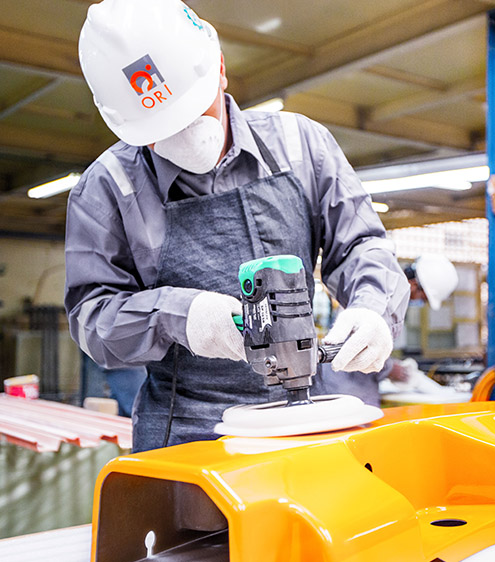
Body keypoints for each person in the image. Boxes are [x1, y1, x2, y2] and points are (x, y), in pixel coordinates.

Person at [65, 0, 409, 452]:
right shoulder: (107, 188)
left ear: (220, 69)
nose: (184, 134)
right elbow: (92, 317)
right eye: (161, 128)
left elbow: (361, 245)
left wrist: (372, 309)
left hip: (305, 421)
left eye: (193, 110)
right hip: (184, 433)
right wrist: (179, 316)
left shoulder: (300, 145)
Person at [320, 254, 459, 404]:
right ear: (413, 285)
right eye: (423, 298)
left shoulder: (383, 294)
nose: (419, 302)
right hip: (346, 389)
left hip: (347, 385)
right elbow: (357, 344)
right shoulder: (380, 297)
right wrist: (392, 369)